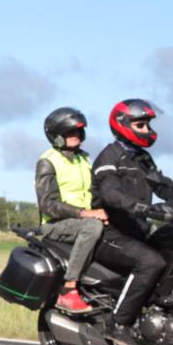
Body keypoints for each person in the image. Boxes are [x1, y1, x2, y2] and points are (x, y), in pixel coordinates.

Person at [90, 99, 173, 345]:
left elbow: (165, 187)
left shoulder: (143, 159)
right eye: (141, 124)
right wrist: (142, 208)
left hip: (137, 233)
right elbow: (110, 191)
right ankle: (118, 324)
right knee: (151, 262)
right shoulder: (110, 156)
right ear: (123, 125)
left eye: (148, 124)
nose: (147, 129)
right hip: (111, 233)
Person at [34, 107, 108, 314]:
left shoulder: (83, 159)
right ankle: (69, 289)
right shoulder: (48, 161)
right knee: (92, 226)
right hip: (56, 224)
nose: (76, 136)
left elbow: (95, 192)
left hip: (82, 220)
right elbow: (48, 204)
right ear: (56, 136)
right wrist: (86, 213)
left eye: (78, 132)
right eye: (69, 133)